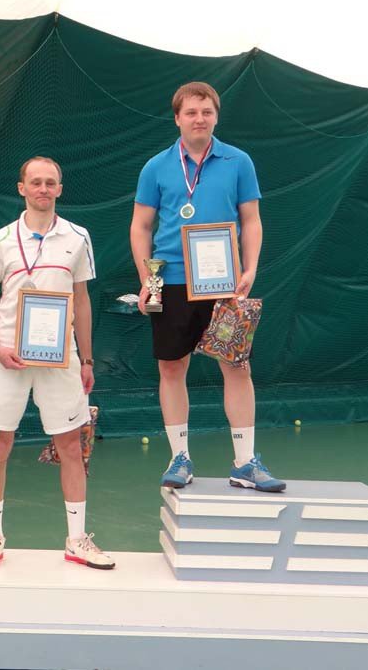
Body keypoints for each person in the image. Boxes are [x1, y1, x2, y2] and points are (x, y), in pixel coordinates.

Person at [129, 82, 285, 493]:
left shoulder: (239, 161)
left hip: (224, 283)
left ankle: (245, 462)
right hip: (169, 281)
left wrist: (249, 268)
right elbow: (141, 226)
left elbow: (251, 219)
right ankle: (179, 458)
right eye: (191, 112)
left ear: (216, 116)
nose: (199, 119)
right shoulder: (155, 167)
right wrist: (147, 279)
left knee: (237, 365)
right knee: (171, 367)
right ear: (177, 118)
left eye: (206, 112)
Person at [0, 157, 115, 570]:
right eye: (36, 182)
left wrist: (86, 359)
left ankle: (76, 540)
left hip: (61, 359)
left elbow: (82, 301)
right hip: (7, 358)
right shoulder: (0, 239)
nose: (43, 189)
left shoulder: (78, 237)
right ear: (22, 188)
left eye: (51, 182)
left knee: (71, 446)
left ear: (60, 189)